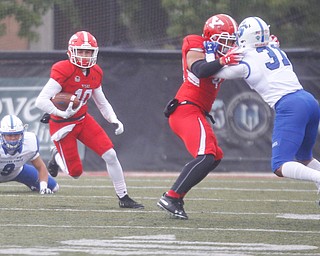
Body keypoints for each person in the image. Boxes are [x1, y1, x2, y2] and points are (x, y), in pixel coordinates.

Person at [35, 30, 143, 209]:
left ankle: (123, 197)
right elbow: (41, 101)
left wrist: (114, 119)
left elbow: (101, 101)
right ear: (71, 51)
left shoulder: (95, 72)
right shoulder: (63, 69)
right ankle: (55, 155)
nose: (85, 56)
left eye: (88, 52)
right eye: (81, 51)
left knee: (110, 154)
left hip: (83, 119)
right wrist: (60, 113)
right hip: (63, 125)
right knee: (75, 173)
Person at [213, 16, 320, 194]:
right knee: (304, 158)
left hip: (290, 105)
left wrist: (213, 56)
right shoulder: (275, 48)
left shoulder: (246, 59)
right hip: (309, 101)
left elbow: (216, 72)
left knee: (279, 165)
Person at [157, 14, 242, 219]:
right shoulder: (195, 43)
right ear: (212, 37)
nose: (230, 45)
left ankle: (176, 196)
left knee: (215, 156)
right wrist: (222, 60)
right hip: (186, 108)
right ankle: (172, 196)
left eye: (232, 40)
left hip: (197, 111)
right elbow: (199, 69)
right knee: (206, 154)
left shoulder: (225, 56)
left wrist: (266, 46)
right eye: (226, 40)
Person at [0, 114, 59, 194]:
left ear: (22, 134)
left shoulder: (29, 142)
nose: (13, 138)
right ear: (2, 135)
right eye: (9, 135)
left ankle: (34, 186)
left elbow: (41, 167)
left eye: (16, 135)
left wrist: (43, 188)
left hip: (18, 172)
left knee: (54, 187)